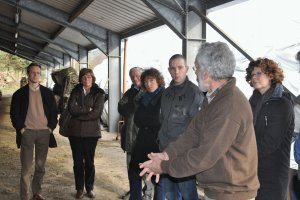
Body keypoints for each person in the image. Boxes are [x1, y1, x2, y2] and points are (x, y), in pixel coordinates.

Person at [140, 42, 260, 200]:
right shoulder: (213, 98)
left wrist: (163, 167)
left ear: (207, 72)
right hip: (220, 189)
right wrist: (167, 154)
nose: (195, 74)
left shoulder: (229, 105)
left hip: (233, 193)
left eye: (196, 68)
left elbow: (204, 156)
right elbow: (192, 134)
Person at [245, 58, 294, 200]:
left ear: (271, 75)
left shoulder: (282, 103)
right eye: (252, 75)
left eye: (259, 73)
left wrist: (246, 157)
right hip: (254, 169)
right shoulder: (253, 101)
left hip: (274, 172)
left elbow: (271, 142)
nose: (254, 77)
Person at [158, 54, 203, 199]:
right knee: (169, 193)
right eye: (172, 68)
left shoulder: (194, 93)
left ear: (187, 69)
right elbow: (162, 119)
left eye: (180, 67)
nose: (176, 71)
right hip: (165, 150)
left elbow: (196, 127)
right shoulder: (166, 93)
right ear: (169, 70)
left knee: (187, 193)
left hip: (183, 153)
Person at [10, 63, 58, 200]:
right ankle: (25, 196)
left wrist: (50, 128)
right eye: (33, 73)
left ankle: (37, 193)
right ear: (28, 74)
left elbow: (54, 113)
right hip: (28, 133)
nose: (35, 75)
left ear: (40, 75)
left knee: (40, 166)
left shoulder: (48, 93)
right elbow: (14, 114)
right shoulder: (19, 94)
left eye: (38, 73)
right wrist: (22, 129)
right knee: (26, 168)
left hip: (44, 133)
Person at [67, 68, 105, 199]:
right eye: (84, 77)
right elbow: (71, 108)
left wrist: (80, 114)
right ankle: (79, 189)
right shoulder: (75, 90)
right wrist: (87, 109)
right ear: (80, 79)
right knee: (77, 162)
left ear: (93, 78)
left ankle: (89, 188)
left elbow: (96, 112)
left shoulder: (99, 93)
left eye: (89, 77)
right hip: (75, 133)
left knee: (89, 162)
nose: (86, 79)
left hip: (91, 134)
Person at [129, 68, 164, 200]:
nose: (149, 84)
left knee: (159, 178)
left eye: (151, 80)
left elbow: (158, 119)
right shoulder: (144, 97)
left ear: (158, 81)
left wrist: (147, 120)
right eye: (146, 81)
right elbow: (137, 119)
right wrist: (148, 120)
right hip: (142, 139)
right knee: (134, 171)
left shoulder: (164, 96)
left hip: (157, 141)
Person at [118, 67, 147, 199]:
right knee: (131, 168)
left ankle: (147, 194)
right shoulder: (129, 92)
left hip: (144, 137)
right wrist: (134, 105)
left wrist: (131, 106)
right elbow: (121, 107)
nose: (135, 78)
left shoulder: (149, 91)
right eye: (132, 76)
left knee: (147, 168)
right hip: (130, 136)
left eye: (138, 76)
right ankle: (135, 191)